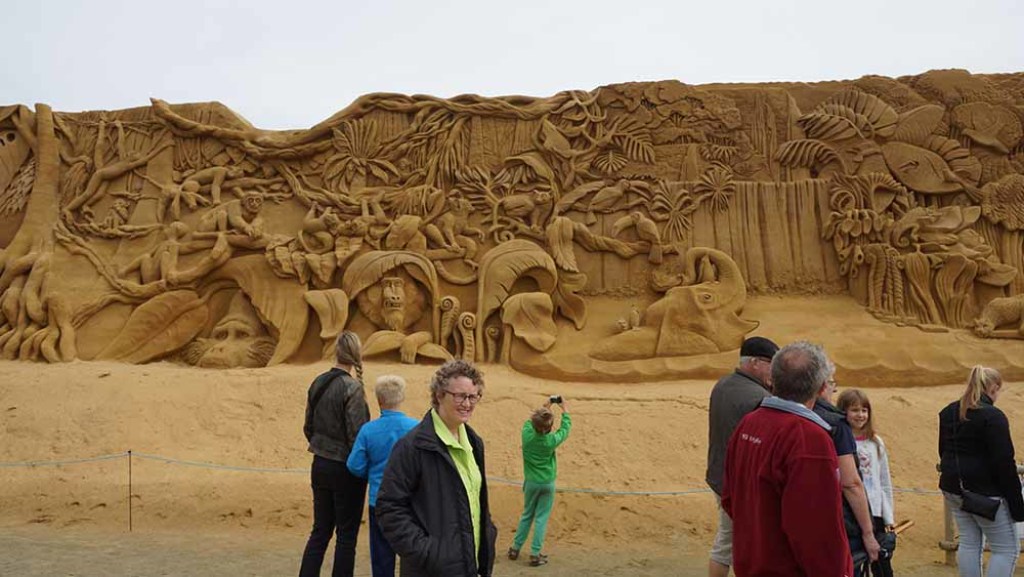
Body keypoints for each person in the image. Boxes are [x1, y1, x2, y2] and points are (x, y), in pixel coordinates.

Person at [722, 341, 853, 577]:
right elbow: (816, 528)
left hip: (751, 562)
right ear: (821, 387)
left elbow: (730, 497)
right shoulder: (809, 439)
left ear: (773, 378)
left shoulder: (749, 422)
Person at [376, 360, 497, 577]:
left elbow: (475, 500)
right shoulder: (412, 446)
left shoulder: (474, 442)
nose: (467, 404)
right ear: (440, 395)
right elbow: (389, 507)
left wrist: (489, 534)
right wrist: (428, 553)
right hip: (432, 570)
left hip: (471, 566)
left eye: (473, 397)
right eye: (460, 396)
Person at [938, 366, 1024, 577]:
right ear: (993, 388)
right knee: (1006, 549)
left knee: (969, 542)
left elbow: (943, 451)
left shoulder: (949, 411)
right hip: (985, 493)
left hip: (953, 488)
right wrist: (1017, 505)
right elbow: (1004, 462)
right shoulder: (993, 416)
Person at [299, 331, 371, 577]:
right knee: (346, 535)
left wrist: (322, 447)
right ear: (356, 354)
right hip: (345, 468)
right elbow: (357, 436)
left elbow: (308, 427)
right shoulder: (352, 388)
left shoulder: (318, 382)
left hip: (319, 463)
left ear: (337, 352)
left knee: (320, 531)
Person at [705, 336, 779, 577]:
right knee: (731, 544)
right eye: (772, 364)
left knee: (729, 540)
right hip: (740, 485)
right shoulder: (759, 397)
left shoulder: (723, 384)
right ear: (755, 363)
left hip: (720, 476)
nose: (775, 371)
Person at [346, 375, 420, 577]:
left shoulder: (368, 430)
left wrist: (371, 473)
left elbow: (354, 465)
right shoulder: (416, 428)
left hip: (379, 499)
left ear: (379, 400)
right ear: (402, 397)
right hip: (409, 500)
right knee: (411, 553)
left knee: (381, 557)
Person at [813, 369, 881, 571]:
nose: (834, 389)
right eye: (831, 383)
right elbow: (850, 483)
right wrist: (868, 533)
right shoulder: (836, 424)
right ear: (822, 386)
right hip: (840, 517)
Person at [508, 397, 573, 567]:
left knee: (527, 514)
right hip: (547, 483)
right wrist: (565, 410)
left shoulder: (527, 435)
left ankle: (515, 548)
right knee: (541, 518)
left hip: (531, 482)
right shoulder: (551, 441)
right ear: (549, 427)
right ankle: (535, 554)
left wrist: (546, 406)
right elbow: (565, 430)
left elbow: (532, 420)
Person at [838, 389, 895, 577]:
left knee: (882, 567)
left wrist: (888, 518)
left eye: (864, 410)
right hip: (852, 514)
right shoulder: (839, 442)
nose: (860, 415)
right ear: (844, 411)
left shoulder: (876, 442)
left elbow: (884, 481)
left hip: (875, 513)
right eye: (854, 410)